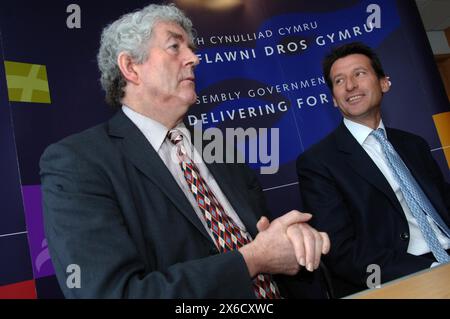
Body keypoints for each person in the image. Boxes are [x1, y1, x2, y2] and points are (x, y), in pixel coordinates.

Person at [40, 3, 330, 299]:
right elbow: (112, 293)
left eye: (191, 48)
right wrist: (252, 259)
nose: (194, 58)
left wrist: (291, 242)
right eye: (174, 47)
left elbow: (263, 239)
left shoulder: (219, 145)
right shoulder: (77, 164)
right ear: (131, 67)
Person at [296, 41, 450, 297]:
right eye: (339, 81)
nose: (350, 86)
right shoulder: (318, 163)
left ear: (384, 83)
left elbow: (444, 203)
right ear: (334, 100)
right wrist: (432, 269)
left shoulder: (414, 144)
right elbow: (342, 252)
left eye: (359, 74)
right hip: (400, 275)